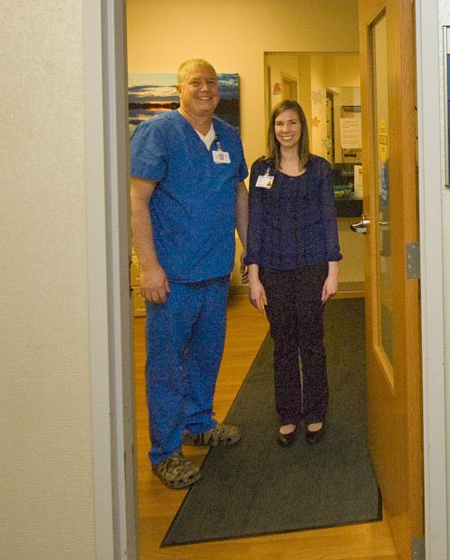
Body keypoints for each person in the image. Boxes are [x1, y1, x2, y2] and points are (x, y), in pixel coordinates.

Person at [130, 58, 249, 489]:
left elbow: (239, 194)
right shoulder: (157, 133)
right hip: (172, 277)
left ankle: (199, 422)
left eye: (211, 82)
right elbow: (137, 201)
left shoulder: (229, 137)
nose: (205, 89)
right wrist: (149, 267)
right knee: (165, 367)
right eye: (195, 82)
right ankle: (165, 452)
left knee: (206, 356)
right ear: (179, 88)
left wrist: (248, 251)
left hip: (216, 273)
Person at [245, 100, 341, 447]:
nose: (285, 130)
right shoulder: (261, 169)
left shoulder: (319, 170)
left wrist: (333, 271)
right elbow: (255, 223)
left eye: (292, 123)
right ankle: (289, 414)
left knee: (312, 342)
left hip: (313, 266)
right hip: (273, 269)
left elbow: (329, 220)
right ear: (273, 129)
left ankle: (315, 412)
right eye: (279, 124)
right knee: (283, 343)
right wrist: (253, 277)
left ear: (302, 128)